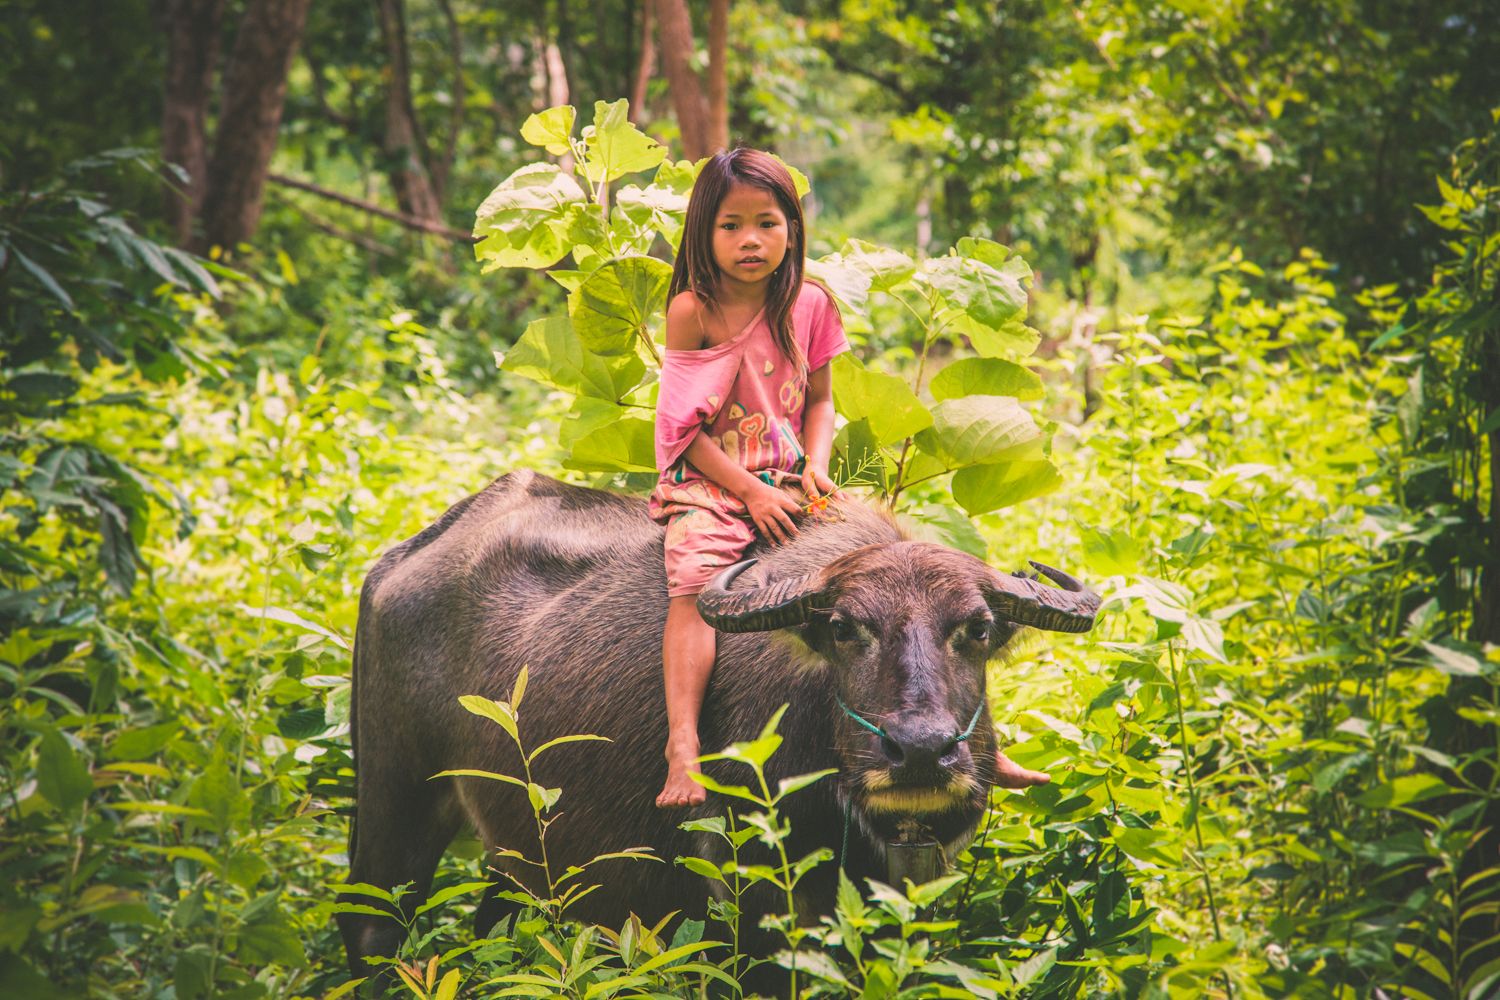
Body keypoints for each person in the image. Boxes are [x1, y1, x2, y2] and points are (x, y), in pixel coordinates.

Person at [650, 148, 1048, 808]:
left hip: (796, 480)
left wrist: (815, 470)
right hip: (715, 486)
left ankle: (975, 744)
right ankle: (682, 747)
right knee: (695, 587)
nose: (750, 240)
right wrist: (750, 491)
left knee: (918, 592)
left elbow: (823, 400)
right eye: (729, 226)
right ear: (702, 232)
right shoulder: (695, 310)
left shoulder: (809, 303)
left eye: (767, 223)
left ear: (792, 230)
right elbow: (681, 433)